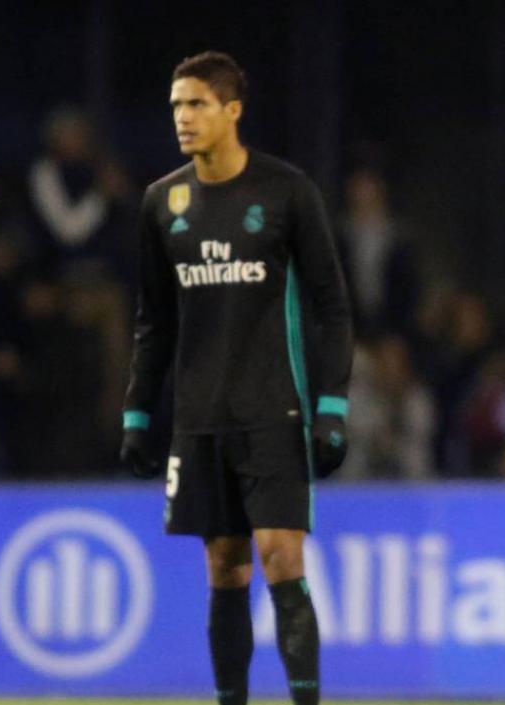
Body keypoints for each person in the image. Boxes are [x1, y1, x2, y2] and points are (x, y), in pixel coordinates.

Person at [119, 51, 352, 705]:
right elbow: (153, 320)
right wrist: (138, 411)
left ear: (232, 110)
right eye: (175, 106)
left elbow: (332, 305)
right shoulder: (162, 202)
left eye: (195, 103)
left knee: (281, 558)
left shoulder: (285, 192)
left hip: (273, 410)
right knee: (225, 567)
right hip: (200, 418)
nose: (182, 118)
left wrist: (332, 403)